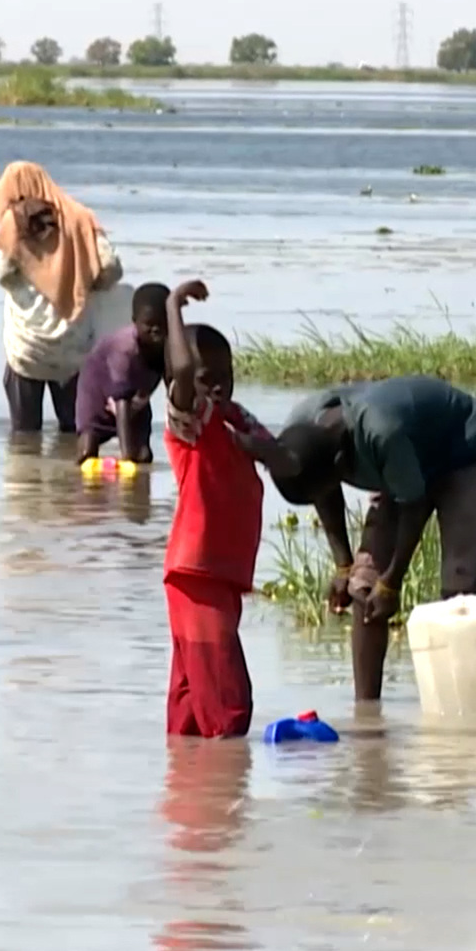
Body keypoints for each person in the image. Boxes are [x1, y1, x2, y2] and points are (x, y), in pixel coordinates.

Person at [273, 376, 476, 703]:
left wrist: (392, 583)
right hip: (404, 461)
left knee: (459, 587)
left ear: (340, 463)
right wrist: (344, 567)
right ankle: (366, 712)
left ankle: (472, 703)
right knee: (363, 587)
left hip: (462, 450)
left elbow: (413, 505)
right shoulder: (300, 432)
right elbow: (323, 494)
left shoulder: (380, 432)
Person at [160, 280, 289, 737]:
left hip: (224, 576)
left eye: (225, 374)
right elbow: (179, 368)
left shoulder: (239, 419)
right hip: (198, 574)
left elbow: (285, 458)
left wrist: (256, 447)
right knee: (229, 704)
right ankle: (225, 789)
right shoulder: (191, 424)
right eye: (204, 377)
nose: (216, 385)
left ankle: (193, 789)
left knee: (194, 699)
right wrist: (172, 304)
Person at [0, 161, 124, 434]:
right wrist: (82, 283)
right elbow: (111, 267)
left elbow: (2, 272)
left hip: (27, 348)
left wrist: (28, 281)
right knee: (77, 429)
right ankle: (74, 475)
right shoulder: (78, 217)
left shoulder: (15, 223)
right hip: (74, 346)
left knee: (24, 436)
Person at [74, 283, 170, 464]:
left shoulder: (170, 346)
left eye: (162, 324)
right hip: (97, 393)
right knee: (88, 451)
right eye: (149, 324)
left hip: (138, 399)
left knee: (143, 455)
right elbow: (121, 401)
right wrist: (126, 456)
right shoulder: (124, 349)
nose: (156, 330)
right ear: (135, 321)